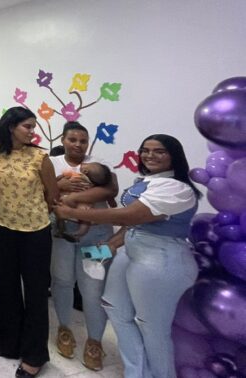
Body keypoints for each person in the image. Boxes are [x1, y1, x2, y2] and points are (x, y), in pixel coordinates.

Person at [54, 134, 199, 378]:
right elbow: (134, 226)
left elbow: (131, 216)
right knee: (115, 307)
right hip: (130, 249)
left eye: (159, 151)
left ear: (174, 155)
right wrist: (109, 246)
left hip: (160, 258)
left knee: (151, 326)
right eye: (146, 150)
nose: (150, 155)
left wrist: (71, 209)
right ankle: (137, 372)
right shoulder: (146, 181)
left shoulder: (177, 188)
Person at [0, 107, 59, 378]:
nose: (32, 131)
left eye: (33, 126)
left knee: (37, 292)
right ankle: (9, 343)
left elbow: (53, 196)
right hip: (1, 227)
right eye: (27, 126)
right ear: (11, 126)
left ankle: (35, 355)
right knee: (6, 287)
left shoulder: (40, 157)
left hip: (35, 231)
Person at [48, 122, 118, 371]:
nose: (78, 145)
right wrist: (60, 187)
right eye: (72, 140)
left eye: (83, 140)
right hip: (62, 233)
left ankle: (94, 342)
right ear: (63, 140)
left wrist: (72, 195)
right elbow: (42, 193)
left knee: (93, 289)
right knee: (62, 280)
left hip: (97, 236)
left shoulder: (98, 162)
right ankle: (64, 329)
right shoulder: (52, 163)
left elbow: (111, 189)